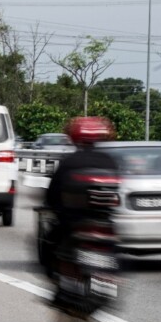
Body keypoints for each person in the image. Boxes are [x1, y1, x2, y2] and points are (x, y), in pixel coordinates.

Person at [41, 116, 119, 281]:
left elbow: (52, 195)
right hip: (104, 222)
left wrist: (55, 209)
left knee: (50, 241)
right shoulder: (109, 161)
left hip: (73, 222)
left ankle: (55, 277)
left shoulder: (69, 162)